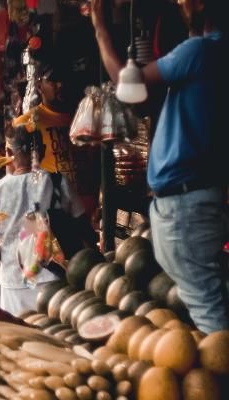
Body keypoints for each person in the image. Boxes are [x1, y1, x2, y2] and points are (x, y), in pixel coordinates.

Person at [90, 0, 227, 333]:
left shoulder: (200, 51)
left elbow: (128, 88)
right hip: (193, 200)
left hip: (185, 205)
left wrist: (101, 28)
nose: (181, 5)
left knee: (209, 312)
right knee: (205, 302)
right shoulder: (210, 54)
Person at [0, 130, 85, 316]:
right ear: (43, 151)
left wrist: (13, 254)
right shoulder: (58, 182)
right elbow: (82, 226)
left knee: (21, 340)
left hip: (14, 283)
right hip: (55, 279)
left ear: (9, 154)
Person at [12, 62, 99, 212]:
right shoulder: (26, 123)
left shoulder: (83, 117)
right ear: (39, 86)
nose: (60, 85)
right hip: (53, 212)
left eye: (64, 79)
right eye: (53, 80)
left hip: (89, 210)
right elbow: (16, 172)